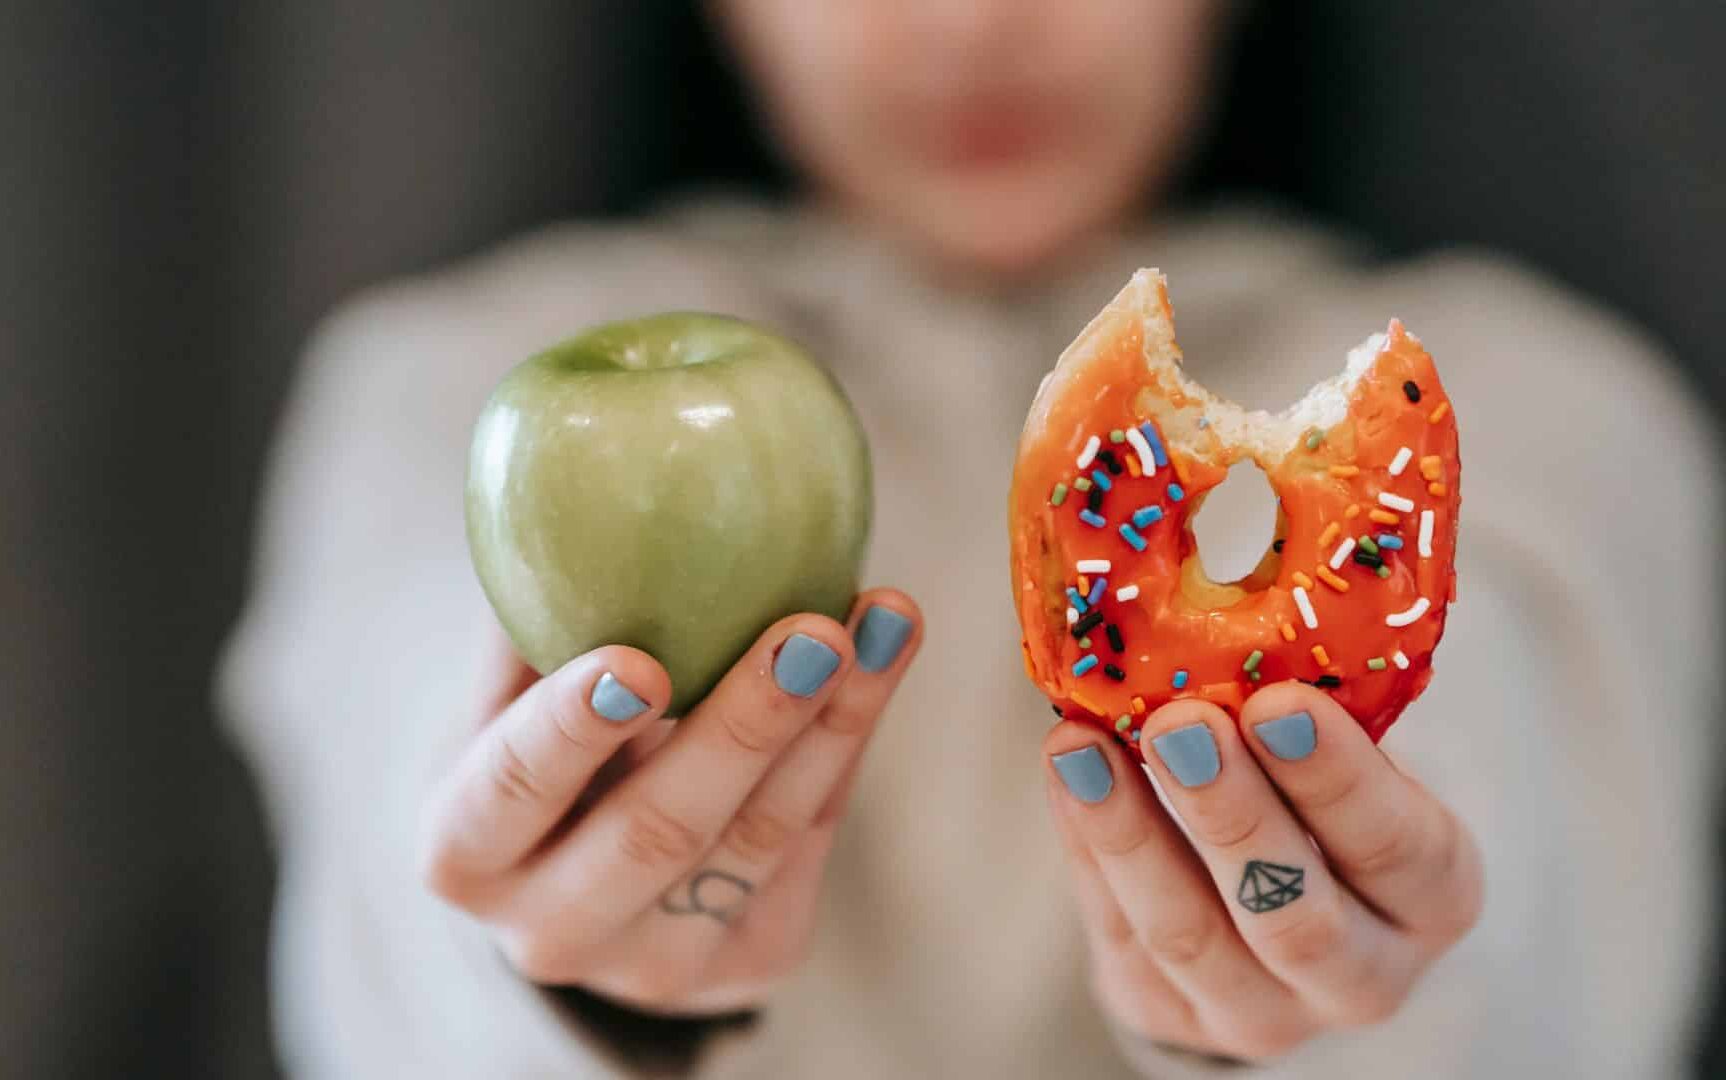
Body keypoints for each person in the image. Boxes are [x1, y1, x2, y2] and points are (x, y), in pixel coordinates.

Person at [218, 1, 1720, 1076]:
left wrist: (1365, 975)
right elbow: (393, 777)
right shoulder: (434, 380)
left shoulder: (1548, 399)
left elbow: (1525, 795)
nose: (970, 27)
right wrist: (556, 964)